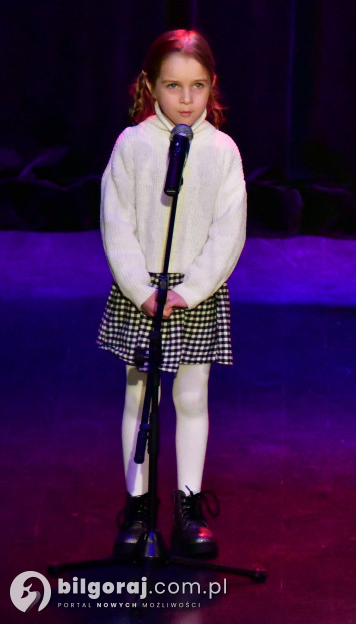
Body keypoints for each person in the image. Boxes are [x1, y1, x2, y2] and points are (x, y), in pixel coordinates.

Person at [97, 29, 246, 558]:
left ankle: (187, 507)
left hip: (193, 298)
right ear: (151, 87)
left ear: (212, 87)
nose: (186, 99)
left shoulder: (222, 151)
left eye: (197, 86)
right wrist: (141, 289)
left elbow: (230, 231)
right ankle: (138, 506)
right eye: (173, 86)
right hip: (144, 296)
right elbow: (117, 224)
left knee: (191, 398)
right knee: (141, 396)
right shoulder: (132, 145)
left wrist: (195, 288)